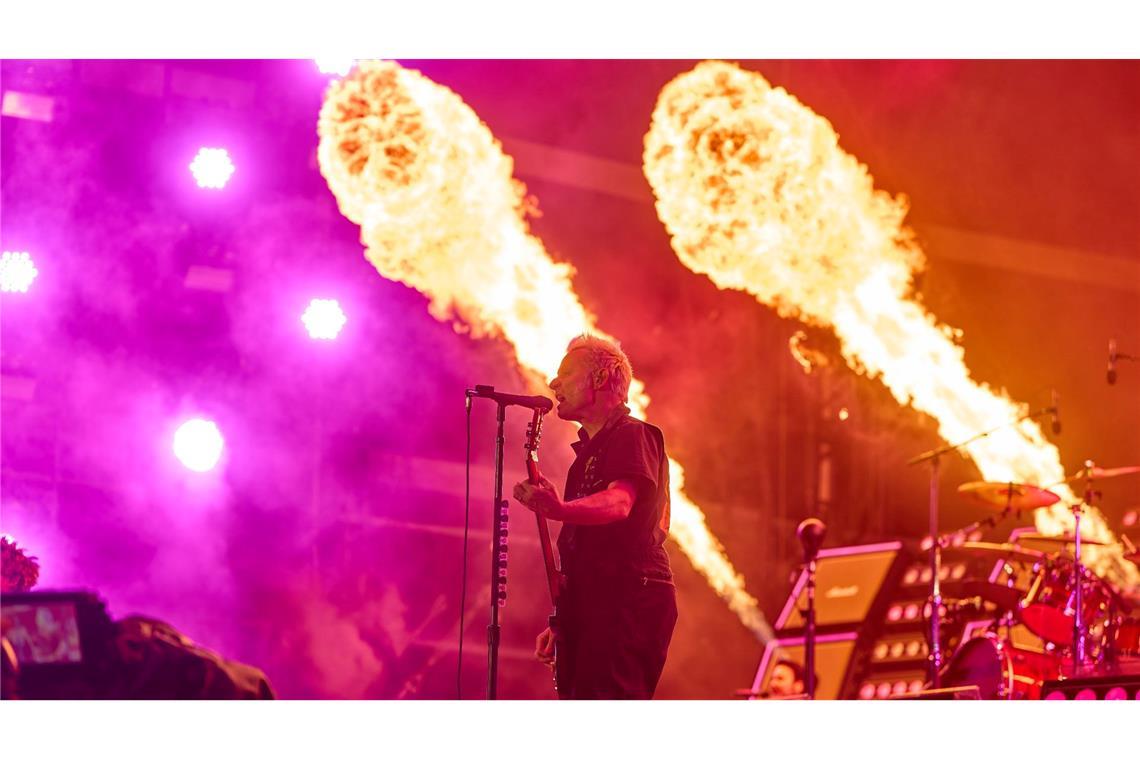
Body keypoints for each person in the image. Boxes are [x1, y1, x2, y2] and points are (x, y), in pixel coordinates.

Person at [512, 334, 677, 699]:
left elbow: (620, 504)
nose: (554, 383)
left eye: (566, 374)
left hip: (629, 595)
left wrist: (559, 510)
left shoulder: (635, 435)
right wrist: (562, 619)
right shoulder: (587, 456)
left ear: (601, 379)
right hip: (595, 601)